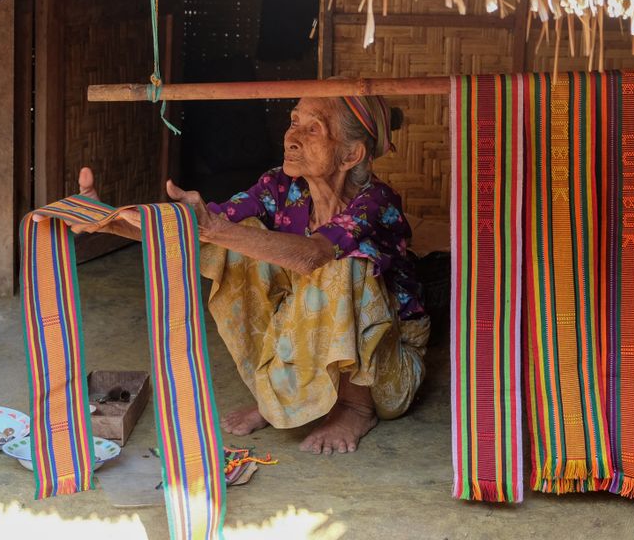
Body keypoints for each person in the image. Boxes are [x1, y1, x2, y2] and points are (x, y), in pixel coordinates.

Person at [75, 95, 430, 454]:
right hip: (312, 342)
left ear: (351, 154)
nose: (292, 137)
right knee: (239, 236)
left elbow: (316, 255)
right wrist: (105, 220)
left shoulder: (376, 202)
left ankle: (355, 407)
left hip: (388, 367)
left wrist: (214, 229)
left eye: (313, 129)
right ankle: (276, 394)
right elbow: (198, 227)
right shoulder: (281, 186)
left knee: (343, 265)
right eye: (294, 121)